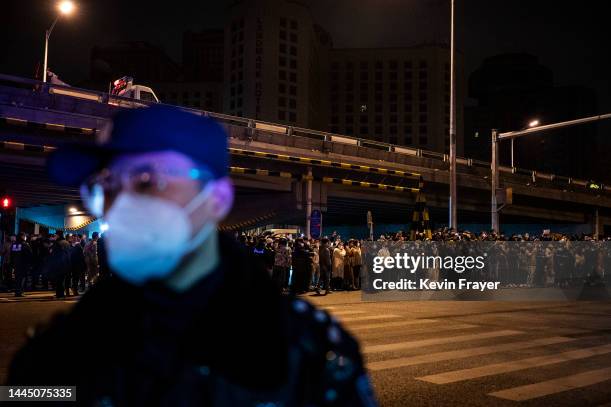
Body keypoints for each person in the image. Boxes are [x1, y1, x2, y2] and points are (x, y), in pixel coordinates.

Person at [9, 105, 376, 406]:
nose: (119, 204)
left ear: (217, 198)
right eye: (106, 184)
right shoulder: (60, 349)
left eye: (147, 180)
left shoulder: (309, 351)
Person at [9, 232, 32, 297]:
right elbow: (30, 254)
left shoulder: (14, 245)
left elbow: (11, 255)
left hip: (16, 264)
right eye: (25, 236)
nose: (25, 237)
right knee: (22, 278)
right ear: (22, 236)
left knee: (17, 278)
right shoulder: (25, 244)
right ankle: (20, 292)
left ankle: (17, 291)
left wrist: (12, 263)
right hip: (23, 264)